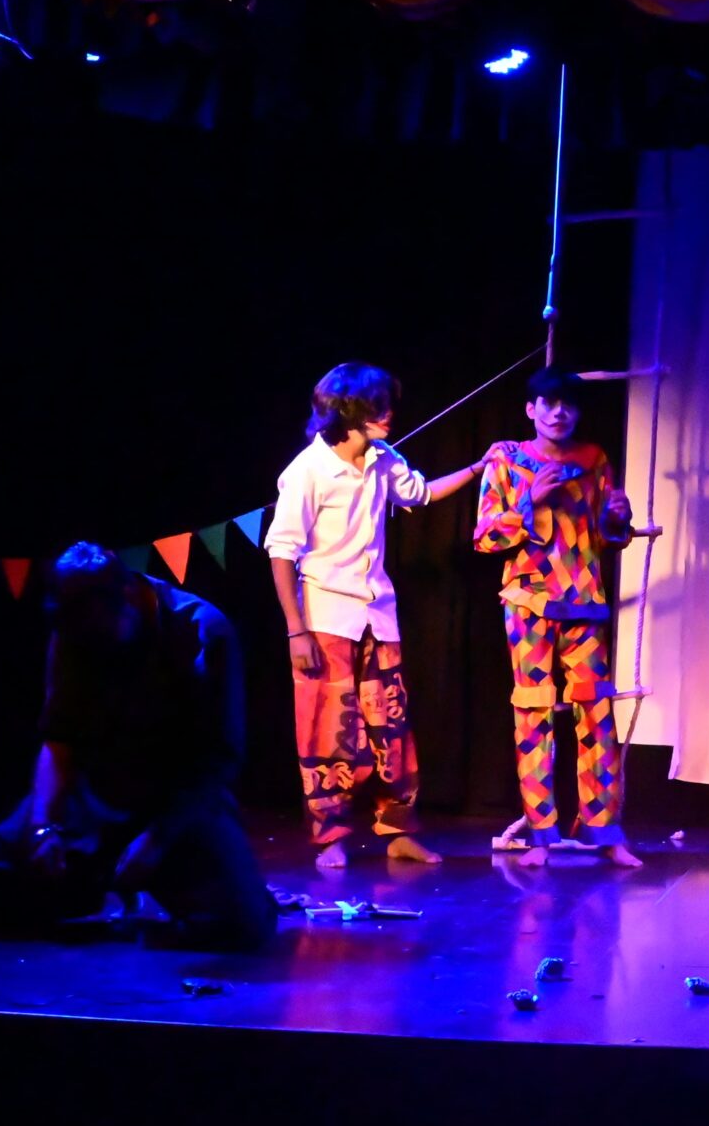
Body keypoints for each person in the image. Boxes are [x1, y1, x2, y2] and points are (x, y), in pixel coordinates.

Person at [0, 543, 276, 950]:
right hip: (90, 799)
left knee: (247, 930)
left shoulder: (201, 630)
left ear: (128, 598)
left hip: (173, 805)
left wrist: (156, 841)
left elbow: (219, 760)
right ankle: (86, 892)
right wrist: (44, 828)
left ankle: (147, 891)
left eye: (98, 633)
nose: (90, 646)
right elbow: (58, 739)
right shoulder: (74, 629)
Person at [264, 363, 479, 871]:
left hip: (377, 615)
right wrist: (296, 630)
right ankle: (329, 837)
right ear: (348, 411)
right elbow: (281, 551)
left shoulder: (384, 460)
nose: (388, 415)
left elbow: (420, 493)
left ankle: (399, 832)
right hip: (325, 617)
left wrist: (478, 468)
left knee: (393, 731)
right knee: (327, 733)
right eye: (376, 407)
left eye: (387, 406)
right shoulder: (308, 471)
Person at [474, 366, 641, 867]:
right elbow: (484, 536)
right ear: (532, 410)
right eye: (549, 403)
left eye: (568, 404)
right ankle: (540, 838)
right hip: (528, 599)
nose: (559, 412)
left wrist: (617, 519)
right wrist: (530, 502)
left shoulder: (594, 460)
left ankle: (605, 831)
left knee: (597, 713)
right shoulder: (507, 459)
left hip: (583, 598)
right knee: (534, 714)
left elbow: (607, 534)